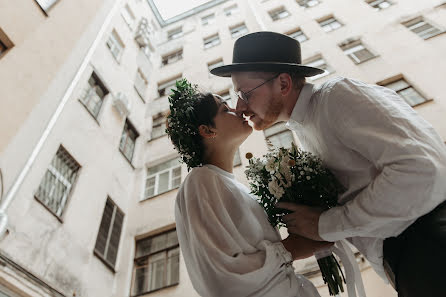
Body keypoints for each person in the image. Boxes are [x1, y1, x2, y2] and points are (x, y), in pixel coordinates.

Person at [210, 31, 446, 297]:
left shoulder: (336, 98)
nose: (239, 107)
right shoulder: (305, 128)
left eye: (245, 93)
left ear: (284, 84)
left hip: (431, 241)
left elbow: (422, 170)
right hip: (408, 262)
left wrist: (326, 224)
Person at [167, 79, 329, 297]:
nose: (239, 110)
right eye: (225, 109)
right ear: (207, 130)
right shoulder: (200, 180)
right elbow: (221, 274)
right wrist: (292, 248)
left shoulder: (233, 185)